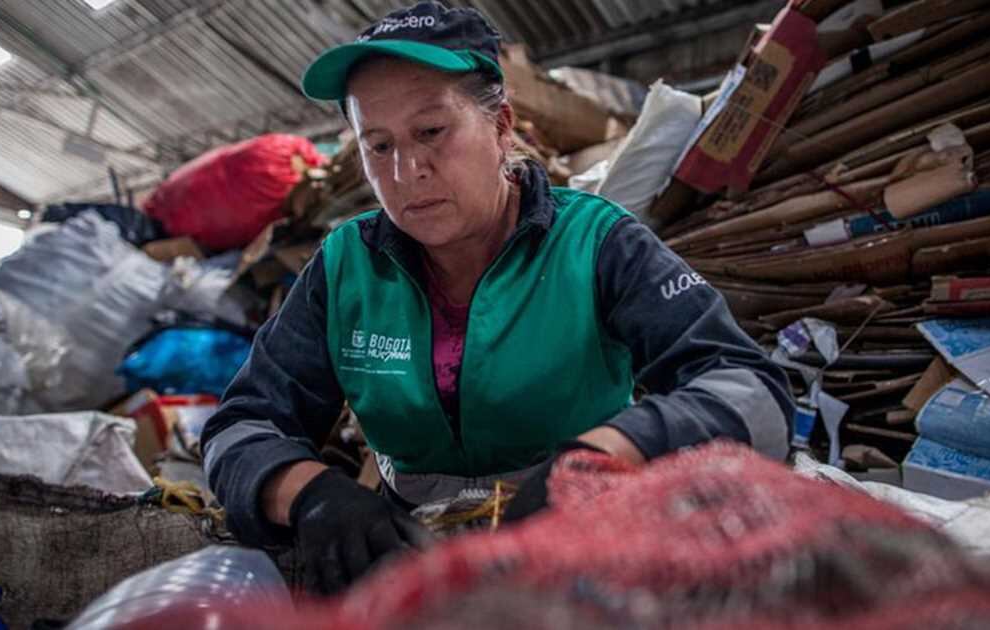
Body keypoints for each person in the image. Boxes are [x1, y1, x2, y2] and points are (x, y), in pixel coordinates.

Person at [201, 0, 794, 596]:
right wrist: (309, 493)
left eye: (432, 131)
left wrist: (605, 454)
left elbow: (751, 391)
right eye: (377, 146)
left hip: (586, 553)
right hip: (411, 561)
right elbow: (240, 425)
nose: (407, 171)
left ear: (502, 124)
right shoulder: (345, 267)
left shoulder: (594, 243)